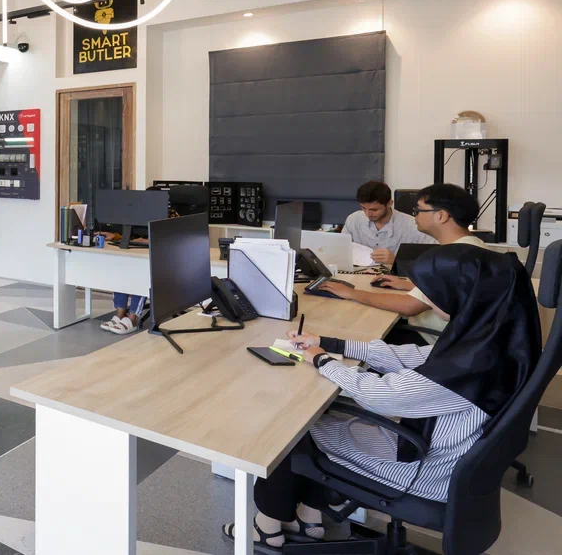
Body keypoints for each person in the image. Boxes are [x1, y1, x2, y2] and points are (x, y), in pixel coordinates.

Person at [224, 229, 539, 552]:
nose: (427, 299)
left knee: (290, 428)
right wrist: (331, 344)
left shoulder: (470, 366)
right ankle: (309, 517)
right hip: (441, 449)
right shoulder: (492, 339)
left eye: (434, 293)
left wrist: (321, 360)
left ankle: (267, 527)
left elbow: (378, 395)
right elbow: (413, 356)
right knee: (317, 417)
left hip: (422, 468)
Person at [318, 184, 489, 336]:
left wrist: (352, 293)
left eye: (419, 210)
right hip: (450, 335)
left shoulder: (449, 258)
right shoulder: (472, 247)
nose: (415, 216)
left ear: (441, 216)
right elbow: (448, 291)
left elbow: (409, 306)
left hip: (430, 338)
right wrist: (409, 285)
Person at [342, 180, 435, 267]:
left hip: (396, 277)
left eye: (374, 210)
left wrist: (396, 261)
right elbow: (341, 252)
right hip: (357, 276)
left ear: (389, 203)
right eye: (363, 208)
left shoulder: (413, 226)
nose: (368, 214)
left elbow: (433, 260)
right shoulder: (353, 220)